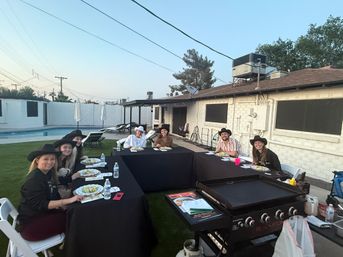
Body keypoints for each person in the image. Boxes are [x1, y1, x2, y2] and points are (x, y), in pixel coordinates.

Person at [17, 144, 83, 241]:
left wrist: (65, 204)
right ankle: (74, 246)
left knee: (74, 212)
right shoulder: (34, 180)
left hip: (44, 214)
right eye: (46, 159)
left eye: (52, 159)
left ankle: (70, 241)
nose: (50, 162)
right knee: (74, 219)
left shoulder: (48, 174)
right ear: (37, 160)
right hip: (31, 227)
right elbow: (42, 204)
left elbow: (54, 195)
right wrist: (69, 200)